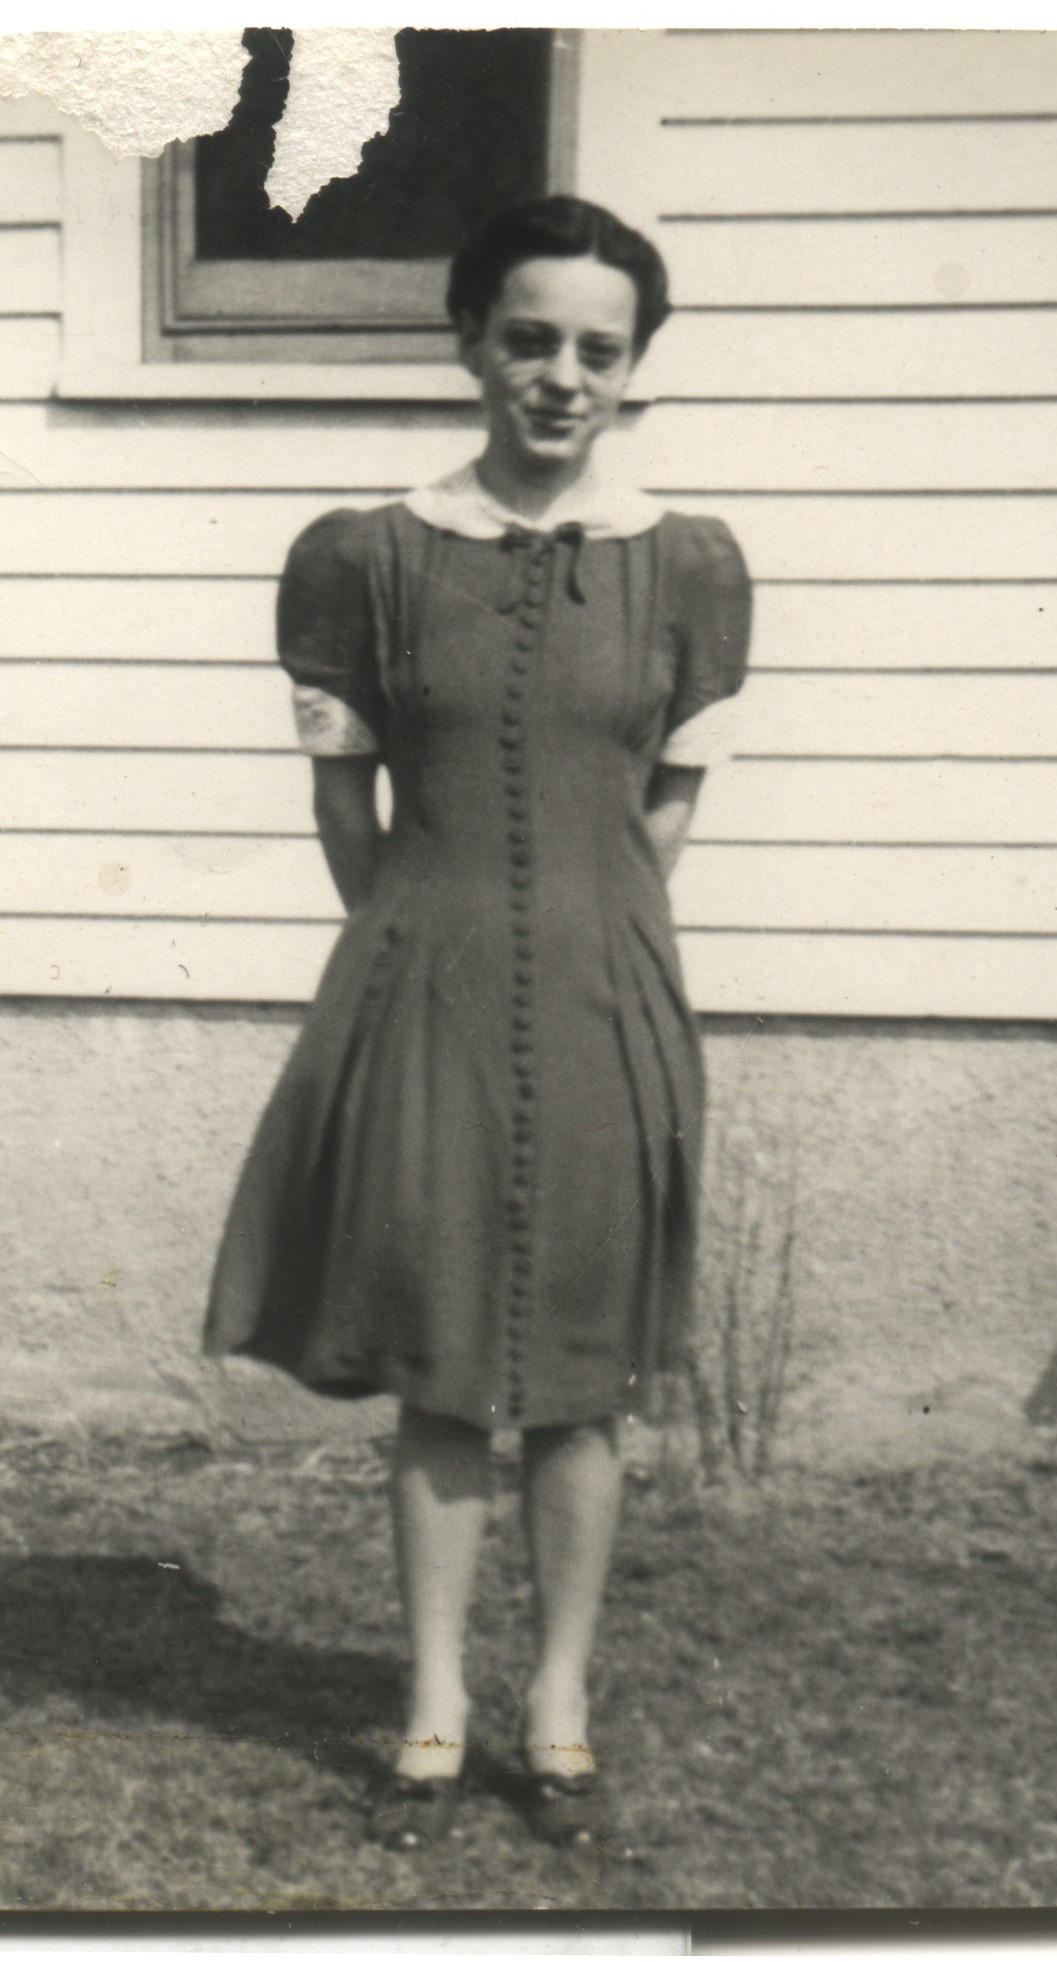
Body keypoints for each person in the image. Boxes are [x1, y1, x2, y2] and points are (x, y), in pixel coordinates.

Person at [202, 195, 751, 1851]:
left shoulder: (688, 566)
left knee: (581, 1378)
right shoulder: (363, 558)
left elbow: (665, 804)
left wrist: (596, 932)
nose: (562, 376)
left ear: (632, 367)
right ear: (468, 344)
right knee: (439, 1366)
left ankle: (557, 1701)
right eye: (528, 339)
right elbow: (343, 801)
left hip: (605, 999)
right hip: (422, 989)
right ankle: (434, 1703)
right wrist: (411, 943)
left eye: (599, 348)